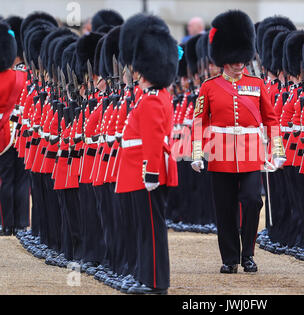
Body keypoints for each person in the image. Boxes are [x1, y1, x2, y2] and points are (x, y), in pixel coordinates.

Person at [191, 10, 285, 274]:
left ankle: (249, 254)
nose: (238, 63)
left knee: (253, 200)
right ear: (224, 59)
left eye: (241, 58)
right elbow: (199, 121)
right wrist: (198, 153)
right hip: (220, 154)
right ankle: (230, 258)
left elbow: (271, 119)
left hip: (251, 153)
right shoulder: (209, 87)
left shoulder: (256, 84)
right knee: (225, 208)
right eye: (233, 59)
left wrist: (277, 150)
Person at [115, 13, 178, 294]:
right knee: (144, 229)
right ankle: (144, 276)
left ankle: (155, 283)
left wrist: (151, 172)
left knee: (152, 230)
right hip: (139, 170)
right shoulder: (152, 96)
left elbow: (154, 141)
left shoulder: (153, 100)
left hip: (146, 172)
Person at [0, 21, 28, 236]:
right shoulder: (21, 77)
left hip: (2, 132)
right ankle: (21, 223)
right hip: (19, 130)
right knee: (21, 179)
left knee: (5, 179)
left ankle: (5, 223)